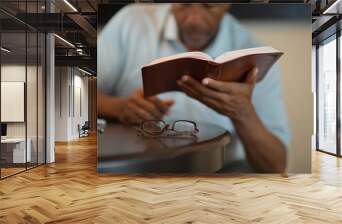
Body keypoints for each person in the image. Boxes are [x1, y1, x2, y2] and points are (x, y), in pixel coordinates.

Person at [98, 3, 290, 173]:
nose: (194, 20)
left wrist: (242, 113)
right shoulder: (130, 22)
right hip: (134, 169)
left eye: (208, 5)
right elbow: (80, 94)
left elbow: (275, 165)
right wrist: (119, 107)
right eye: (185, 4)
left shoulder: (256, 56)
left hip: (219, 174)